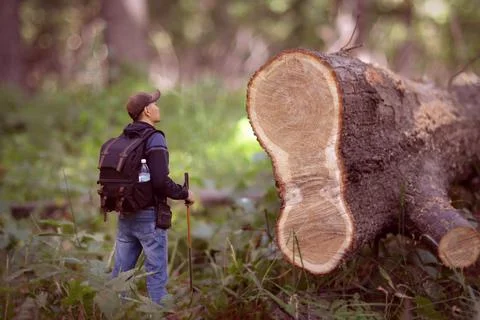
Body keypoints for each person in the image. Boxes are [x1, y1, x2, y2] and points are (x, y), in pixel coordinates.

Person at [111, 89, 194, 304]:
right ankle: (159, 313)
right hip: (149, 216)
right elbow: (159, 181)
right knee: (156, 276)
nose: (158, 107)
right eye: (155, 104)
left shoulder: (125, 137)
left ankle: (114, 312)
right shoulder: (154, 138)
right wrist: (184, 193)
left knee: (120, 276)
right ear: (147, 111)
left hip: (125, 213)